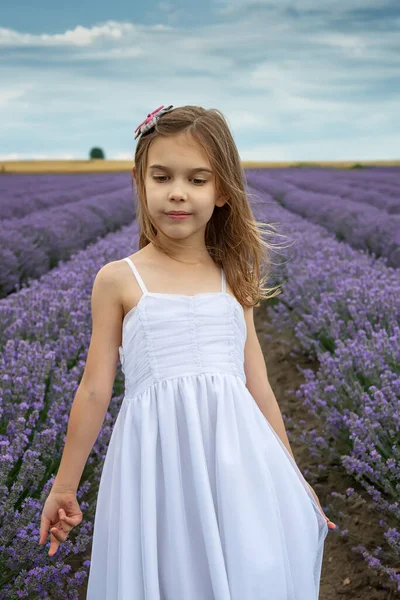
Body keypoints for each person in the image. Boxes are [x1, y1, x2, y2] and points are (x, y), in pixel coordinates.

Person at [39, 104, 337, 599]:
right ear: (140, 182)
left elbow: (257, 383)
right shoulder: (118, 279)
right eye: (162, 176)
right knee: (172, 575)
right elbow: (94, 389)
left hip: (237, 461)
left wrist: (294, 477)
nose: (178, 192)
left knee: (246, 571)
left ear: (221, 191)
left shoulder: (232, 276)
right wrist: (64, 486)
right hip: (157, 464)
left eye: (197, 180)